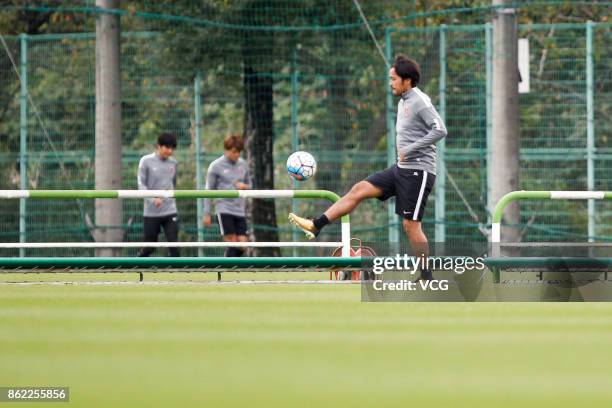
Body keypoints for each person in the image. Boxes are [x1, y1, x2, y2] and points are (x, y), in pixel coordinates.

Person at [289, 55, 447, 281]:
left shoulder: (420, 100)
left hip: (418, 171)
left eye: (394, 79)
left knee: (410, 225)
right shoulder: (403, 100)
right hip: (401, 168)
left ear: (408, 79)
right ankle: (316, 224)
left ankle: (427, 275)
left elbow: (440, 129)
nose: (390, 82)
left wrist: (411, 148)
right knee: (359, 189)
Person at [203, 135, 252, 257]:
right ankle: (228, 271)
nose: (237, 155)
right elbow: (208, 190)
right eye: (234, 152)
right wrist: (207, 213)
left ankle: (226, 265)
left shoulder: (243, 165)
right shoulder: (215, 166)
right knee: (233, 242)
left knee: (242, 245)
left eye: (239, 152)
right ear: (226, 149)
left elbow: (250, 185)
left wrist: (244, 187)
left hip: (240, 210)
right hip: (224, 208)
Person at [137, 133, 180, 257]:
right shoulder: (146, 161)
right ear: (158, 146)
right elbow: (141, 185)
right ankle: (135, 266)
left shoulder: (173, 163)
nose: (170, 151)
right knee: (149, 246)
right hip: (151, 211)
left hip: (170, 210)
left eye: (172, 148)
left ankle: (179, 273)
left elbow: (173, 184)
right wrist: (152, 199)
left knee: (174, 244)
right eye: (167, 147)